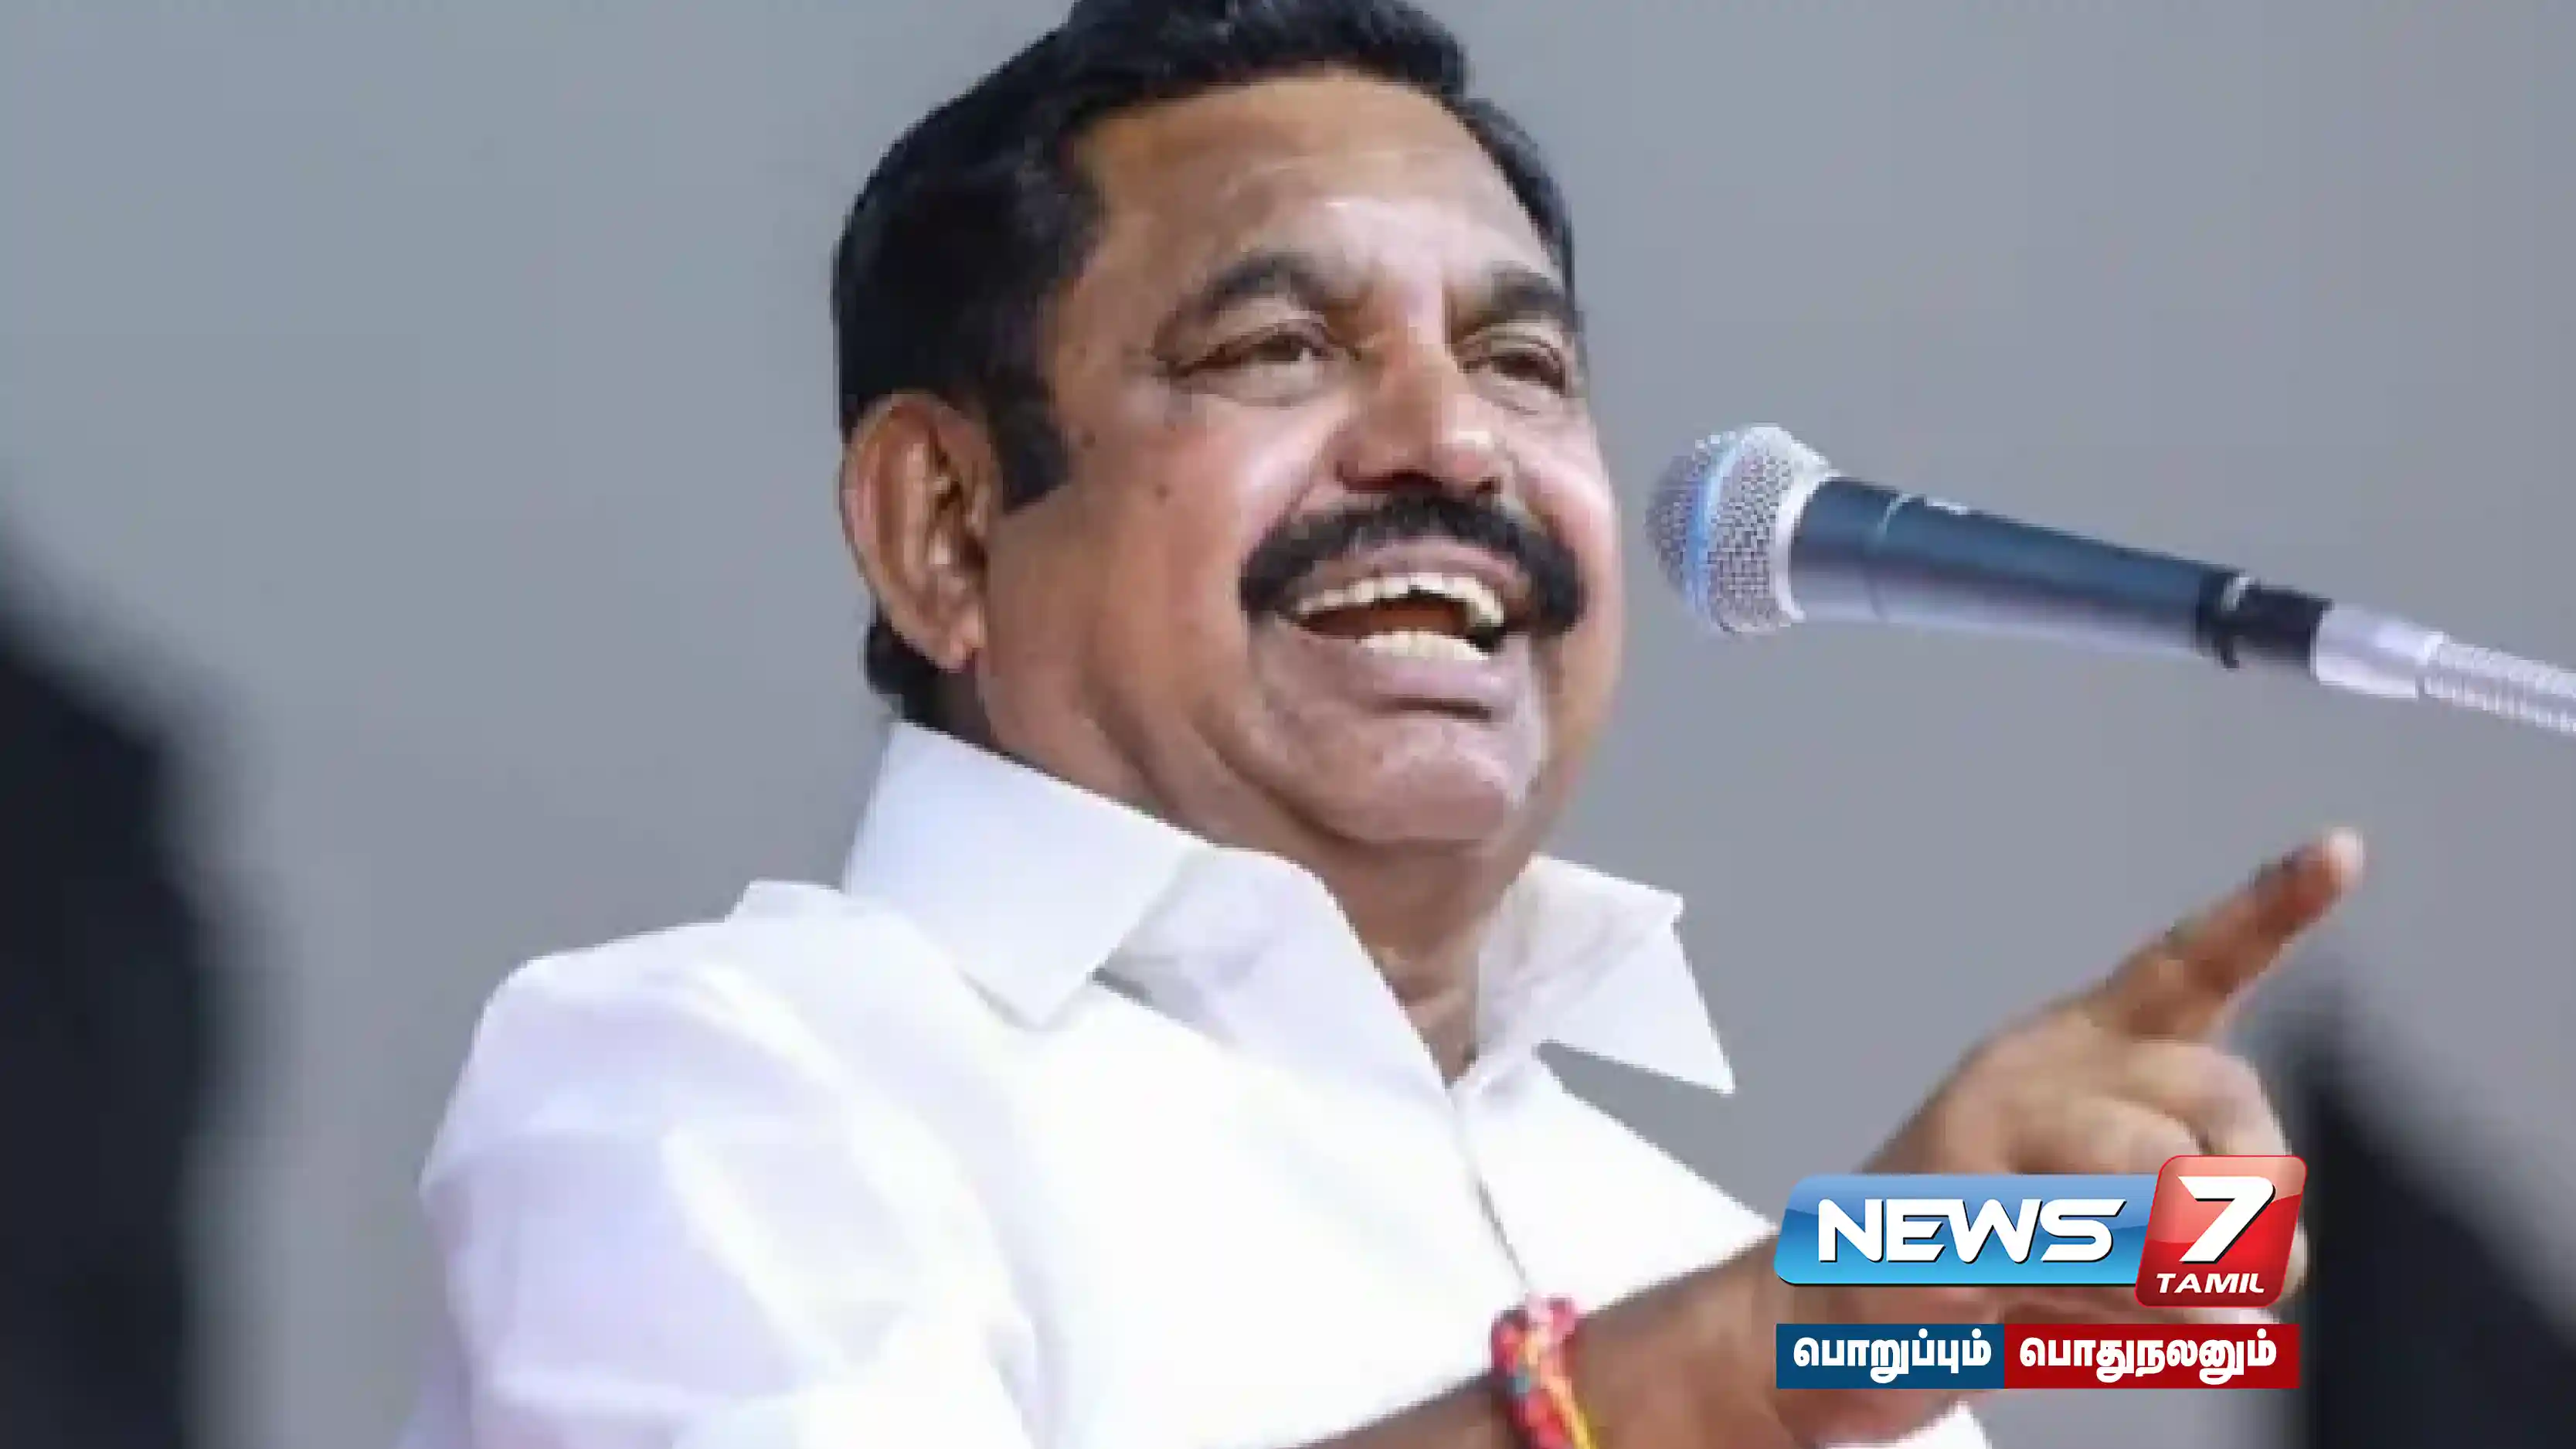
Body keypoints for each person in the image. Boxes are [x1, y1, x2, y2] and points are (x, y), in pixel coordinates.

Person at [396, 2, 2361, 1446]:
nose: (1450, 442)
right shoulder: (711, 1083)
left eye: (1521, 361)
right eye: (1275, 347)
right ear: (947, 523)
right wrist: (1754, 1363)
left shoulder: (1705, 1249)